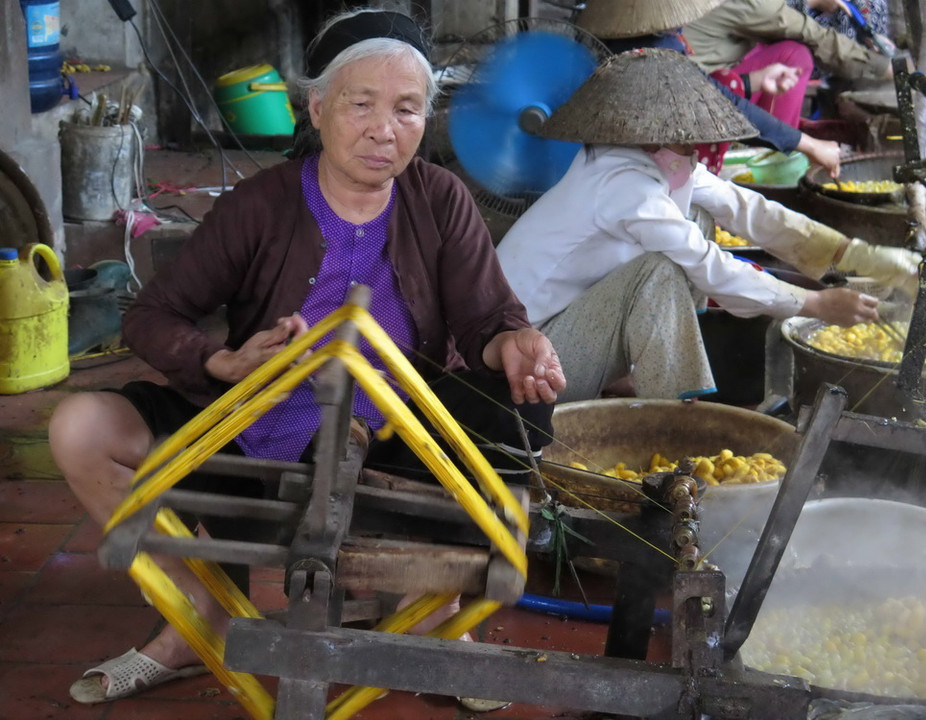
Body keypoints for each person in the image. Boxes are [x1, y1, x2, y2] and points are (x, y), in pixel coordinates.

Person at [48, 8, 565, 708]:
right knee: (80, 427)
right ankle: (196, 613)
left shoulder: (439, 199)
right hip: (254, 434)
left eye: (407, 109)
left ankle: (433, 617)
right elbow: (151, 315)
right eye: (361, 104)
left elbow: (486, 318)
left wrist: (515, 345)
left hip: (392, 439)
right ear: (317, 108)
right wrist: (218, 362)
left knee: (522, 417)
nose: (385, 130)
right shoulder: (258, 206)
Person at [496, 48, 920, 403]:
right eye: (686, 138)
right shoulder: (623, 182)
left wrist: (856, 254)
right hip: (529, 361)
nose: (694, 148)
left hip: (565, 328)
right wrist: (815, 304)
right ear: (650, 133)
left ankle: (642, 369)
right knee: (662, 268)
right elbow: (707, 264)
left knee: (697, 216)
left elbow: (746, 208)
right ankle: (669, 411)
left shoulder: (656, 159)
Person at [576, 0, 842, 175]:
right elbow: (714, 103)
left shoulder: (653, 39)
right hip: (623, 161)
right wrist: (808, 144)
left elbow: (708, 88)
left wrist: (754, 81)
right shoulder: (652, 49)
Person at [683, 0, 894, 128]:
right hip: (691, 91)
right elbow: (815, 36)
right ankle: (776, 147)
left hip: (691, 74)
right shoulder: (751, 5)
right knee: (793, 55)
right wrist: (887, 67)